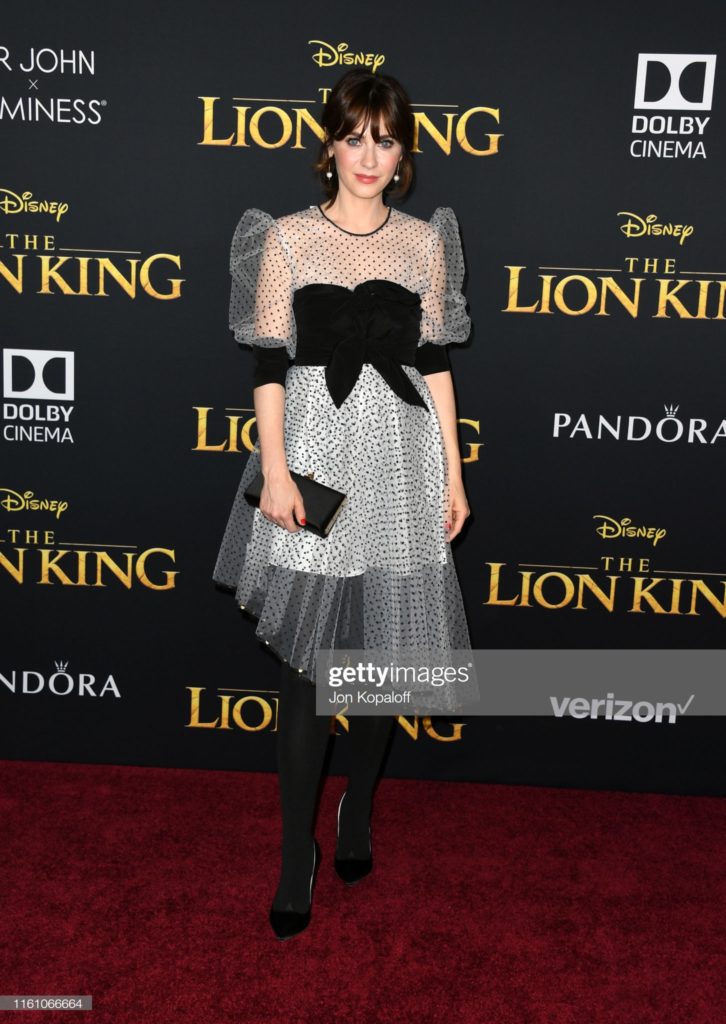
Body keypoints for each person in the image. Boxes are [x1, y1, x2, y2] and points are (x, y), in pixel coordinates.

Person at [212, 68, 473, 940]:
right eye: (355, 136)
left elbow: (435, 360)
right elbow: (267, 366)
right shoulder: (283, 240)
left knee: (386, 657)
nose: (370, 155)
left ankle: (356, 812)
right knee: (306, 670)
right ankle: (297, 854)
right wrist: (276, 472)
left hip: (402, 461)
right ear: (328, 145)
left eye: (386, 138)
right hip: (316, 460)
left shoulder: (423, 242)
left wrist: (456, 473)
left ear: (404, 154)